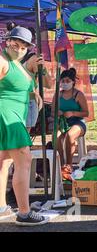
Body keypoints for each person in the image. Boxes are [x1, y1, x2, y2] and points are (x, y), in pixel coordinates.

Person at [0, 26, 49, 226]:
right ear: (7, 41)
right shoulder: (3, 61)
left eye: (24, 45)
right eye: (15, 42)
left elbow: (41, 84)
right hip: (6, 115)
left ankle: (2, 206)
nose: (19, 47)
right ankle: (24, 212)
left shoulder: (18, 64)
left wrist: (34, 92)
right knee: (24, 159)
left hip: (15, 116)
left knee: (4, 162)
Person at [51, 68, 89, 181]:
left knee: (70, 136)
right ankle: (61, 164)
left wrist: (73, 113)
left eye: (67, 81)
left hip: (78, 122)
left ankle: (69, 164)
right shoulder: (58, 95)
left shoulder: (78, 95)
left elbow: (86, 113)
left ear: (73, 82)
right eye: (63, 81)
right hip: (62, 122)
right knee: (56, 136)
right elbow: (52, 112)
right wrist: (57, 113)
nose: (65, 83)